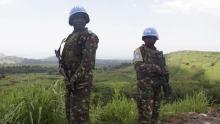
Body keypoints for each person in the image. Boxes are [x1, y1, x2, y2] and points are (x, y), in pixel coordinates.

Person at [56, 6, 99, 124]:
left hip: (81, 83)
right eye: (76, 18)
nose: (79, 20)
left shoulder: (90, 36)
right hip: (70, 82)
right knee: (70, 115)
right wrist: (64, 72)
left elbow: (87, 62)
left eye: (82, 17)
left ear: (86, 20)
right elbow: (66, 60)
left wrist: (74, 79)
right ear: (71, 21)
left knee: (80, 116)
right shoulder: (70, 37)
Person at [133, 27, 172, 124]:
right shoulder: (138, 51)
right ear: (144, 39)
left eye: (152, 38)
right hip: (145, 88)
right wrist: (155, 68)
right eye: (148, 37)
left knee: (156, 112)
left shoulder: (159, 54)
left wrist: (166, 82)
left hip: (157, 86)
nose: (150, 39)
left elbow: (164, 70)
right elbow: (138, 66)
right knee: (145, 114)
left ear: (156, 39)